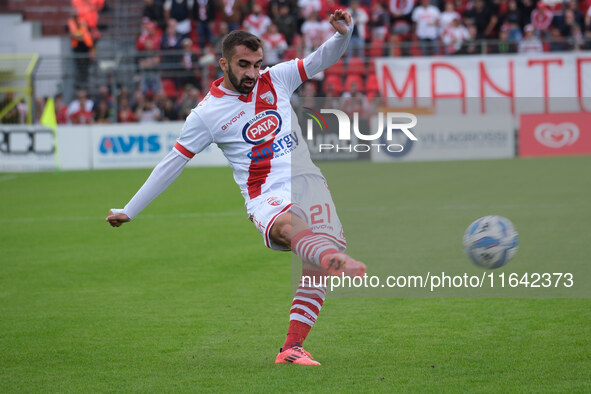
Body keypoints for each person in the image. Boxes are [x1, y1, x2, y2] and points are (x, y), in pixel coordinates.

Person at [106, 9, 366, 366]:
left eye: (257, 64)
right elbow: (173, 163)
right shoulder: (206, 114)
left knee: (315, 265)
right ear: (223, 64)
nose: (252, 73)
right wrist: (129, 209)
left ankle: (291, 348)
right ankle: (330, 258)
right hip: (265, 196)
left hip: (309, 182)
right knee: (297, 233)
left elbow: (320, 58)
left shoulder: (277, 79)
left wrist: (342, 35)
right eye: (244, 65)